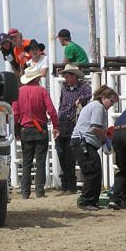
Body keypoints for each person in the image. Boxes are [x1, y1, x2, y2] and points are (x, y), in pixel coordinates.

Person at [12, 65, 58, 199]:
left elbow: (15, 114)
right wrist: (55, 125)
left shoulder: (19, 92)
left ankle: (25, 192)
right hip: (40, 128)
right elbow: (51, 110)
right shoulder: (42, 91)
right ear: (37, 78)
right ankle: (39, 191)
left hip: (25, 128)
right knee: (41, 161)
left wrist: (16, 130)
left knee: (26, 161)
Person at [70, 85, 118, 211]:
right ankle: (87, 201)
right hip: (83, 142)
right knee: (93, 171)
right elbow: (95, 127)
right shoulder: (98, 107)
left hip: (81, 142)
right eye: (111, 101)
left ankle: (90, 200)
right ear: (104, 97)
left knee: (93, 170)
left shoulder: (94, 105)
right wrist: (105, 138)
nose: (111, 105)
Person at [55, 64, 91, 196]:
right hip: (62, 124)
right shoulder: (64, 88)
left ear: (74, 76)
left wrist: (80, 100)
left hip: (74, 125)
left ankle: (70, 186)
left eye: (67, 75)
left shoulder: (84, 87)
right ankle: (67, 186)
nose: (65, 78)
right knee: (62, 156)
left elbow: (88, 95)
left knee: (69, 156)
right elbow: (61, 105)